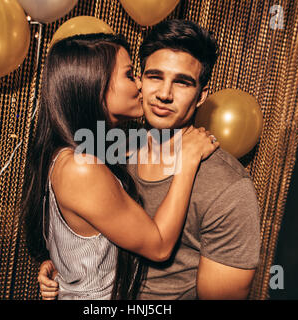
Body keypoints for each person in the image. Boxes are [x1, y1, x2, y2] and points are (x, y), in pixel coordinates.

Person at [38, 20, 261, 300]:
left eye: (182, 82)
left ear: (202, 95)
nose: (165, 95)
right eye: (154, 76)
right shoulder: (107, 150)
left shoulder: (227, 187)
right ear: (140, 80)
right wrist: (68, 272)